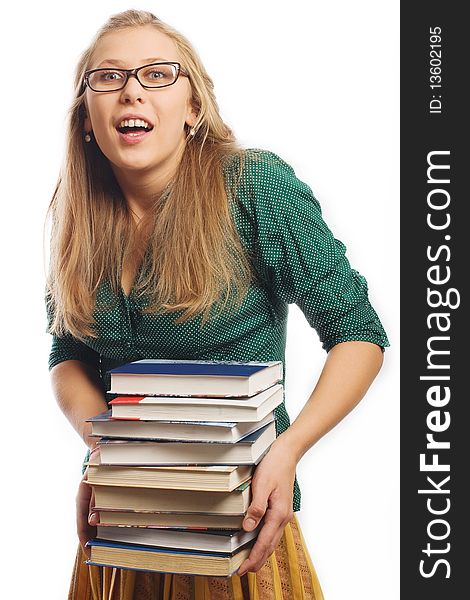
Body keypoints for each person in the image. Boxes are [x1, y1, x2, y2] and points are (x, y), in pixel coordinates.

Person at [45, 9, 389, 600]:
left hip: (236, 532)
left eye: (158, 75)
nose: (132, 89)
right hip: (123, 524)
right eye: (109, 77)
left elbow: (359, 335)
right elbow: (67, 352)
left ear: (194, 108)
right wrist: (101, 447)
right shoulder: (79, 222)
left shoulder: (253, 185)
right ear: (86, 119)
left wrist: (288, 452)